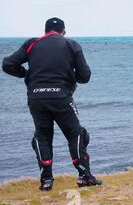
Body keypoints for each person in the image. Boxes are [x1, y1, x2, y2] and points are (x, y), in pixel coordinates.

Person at [2, 18, 102, 191]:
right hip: (61, 97)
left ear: (45, 31)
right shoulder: (71, 45)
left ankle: (46, 180)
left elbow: (8, 64)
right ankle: (85, 176)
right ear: (63, 31)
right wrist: (69, 76)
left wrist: (26, 74)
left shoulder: (32, 43)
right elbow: (85, 76)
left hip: (36, 98)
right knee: (76, 134)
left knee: (43, 136)